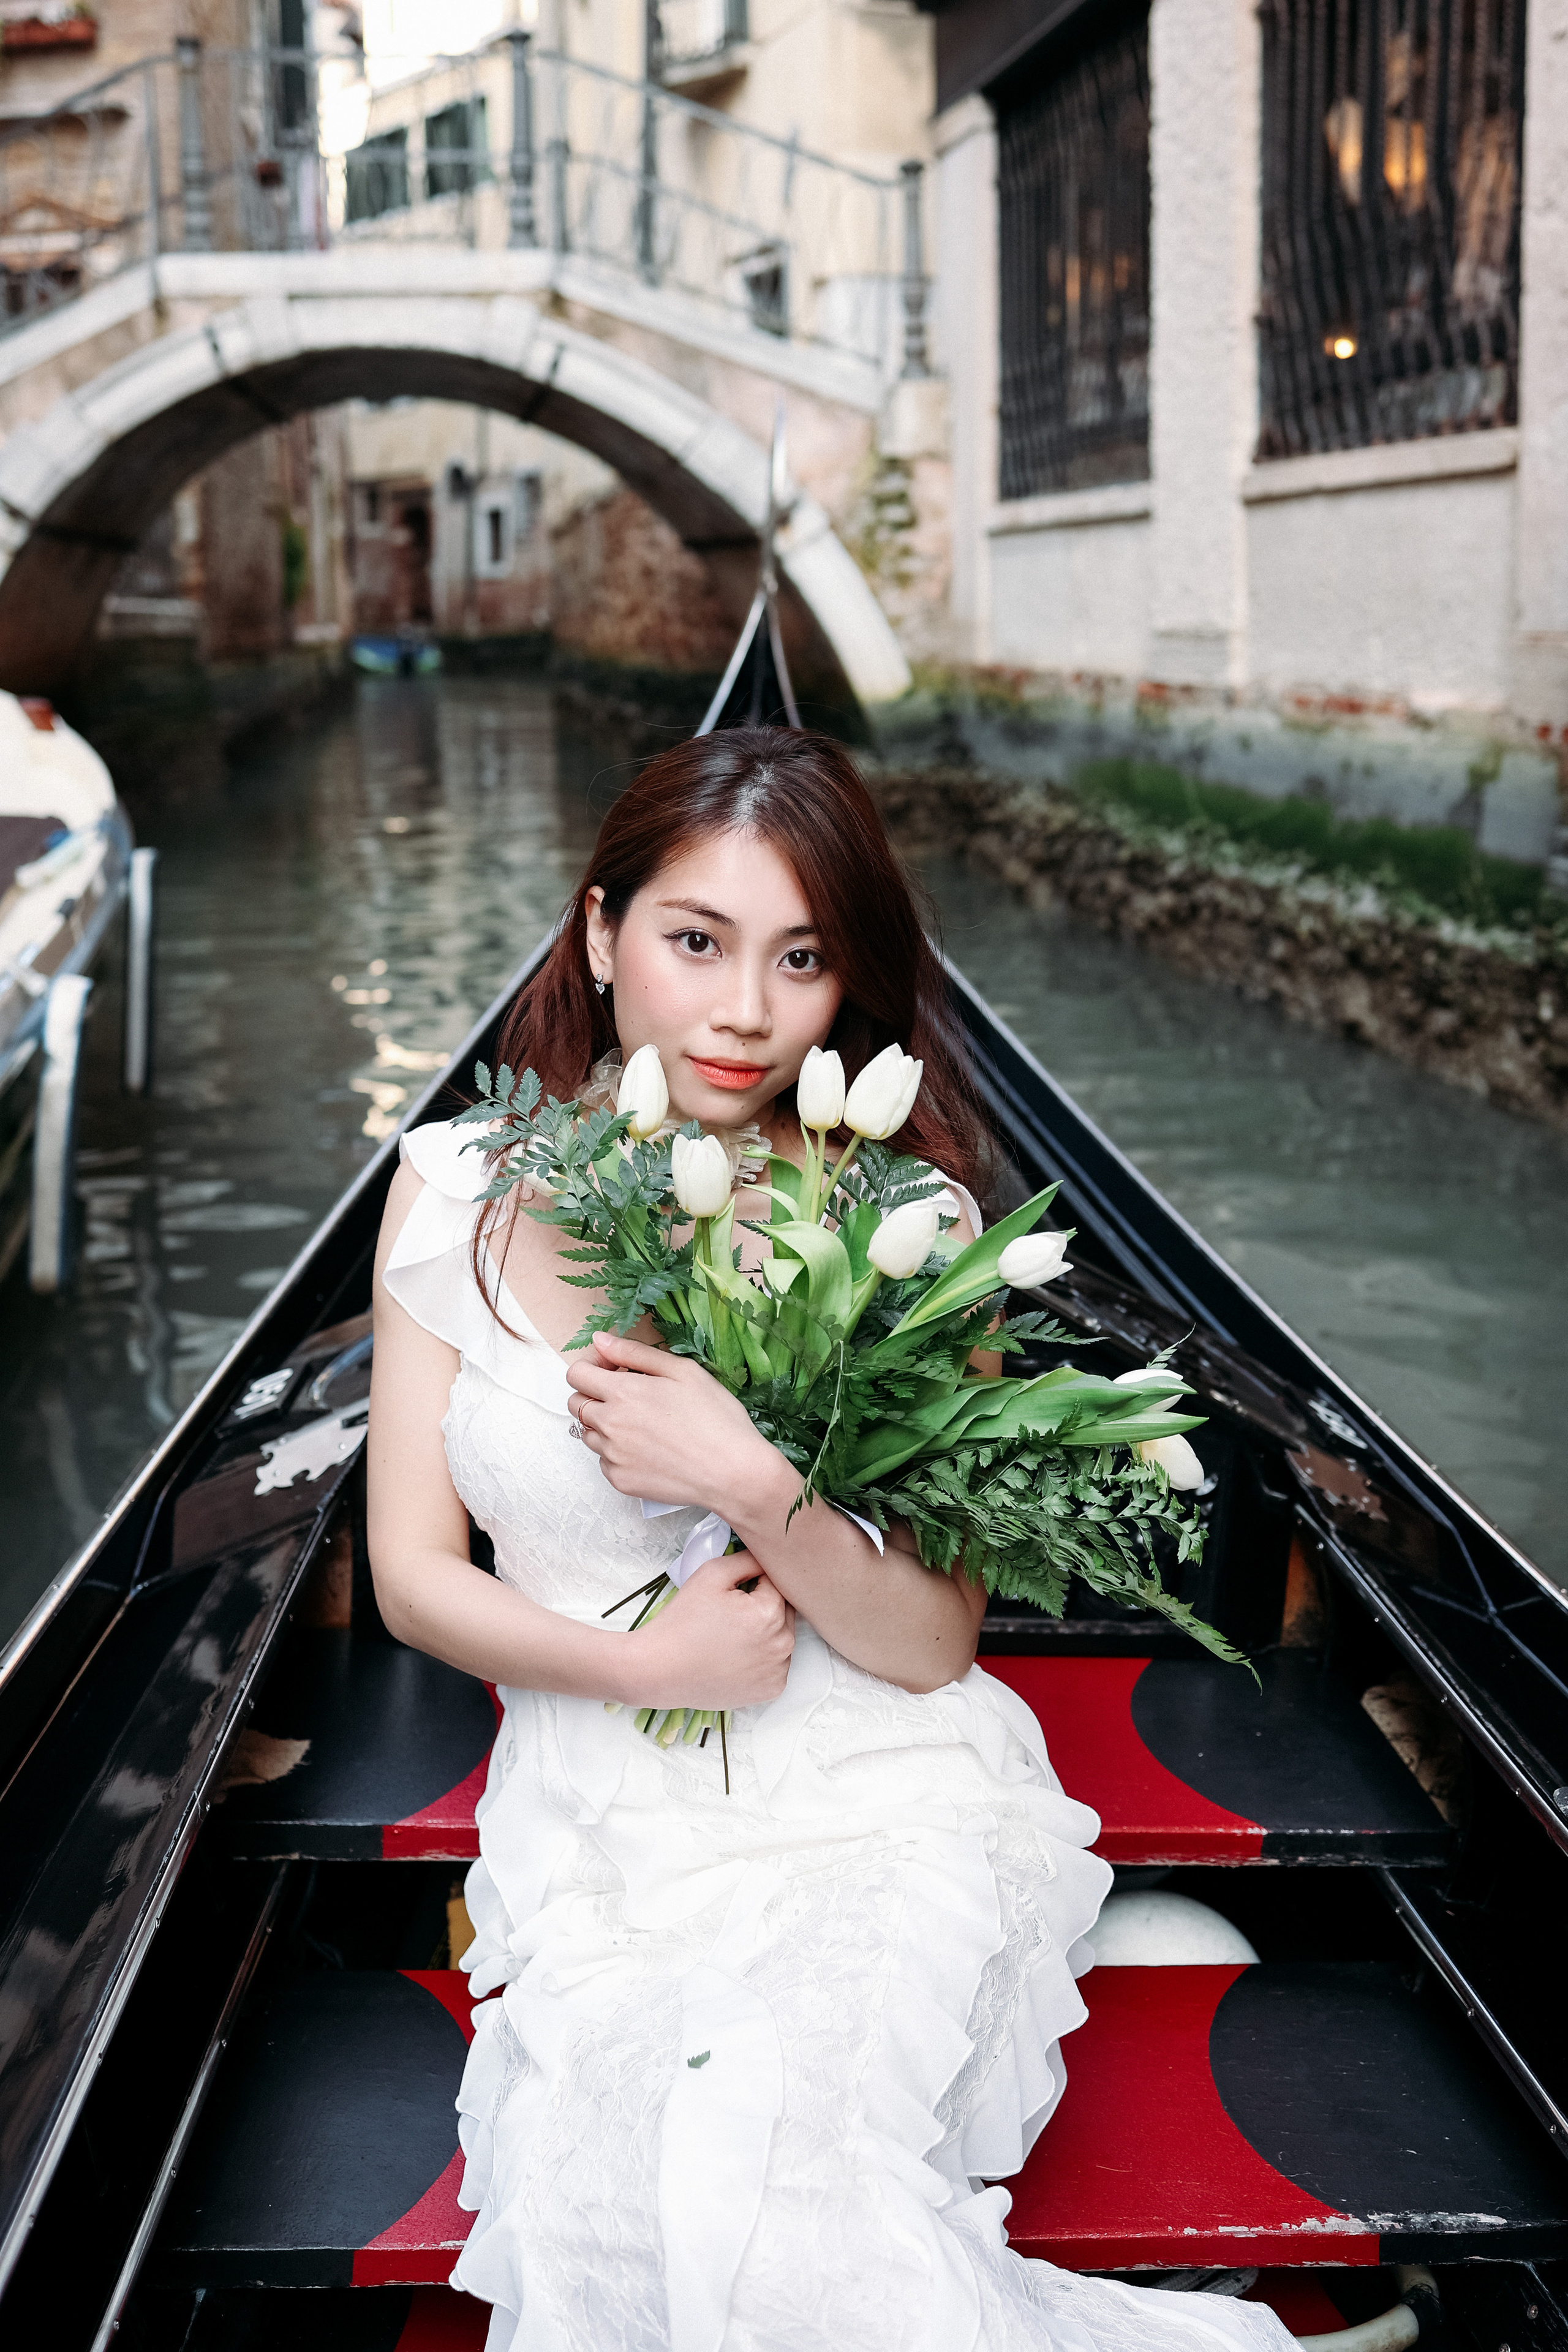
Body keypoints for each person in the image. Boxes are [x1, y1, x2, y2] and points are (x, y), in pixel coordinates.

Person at [367, 728, 1295, 2352]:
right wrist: (649, 1665)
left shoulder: (904, 1222)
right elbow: (410, 1577)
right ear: (601, 934)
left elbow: (931, 1646)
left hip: (874, 1788)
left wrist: (750, 1479)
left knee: (786, 2222)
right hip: (602, 1818)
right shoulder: (456, 1188)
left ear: (850, 980)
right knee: (621, 2232)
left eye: (802, 959)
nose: (745, 1012)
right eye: (697, 941)